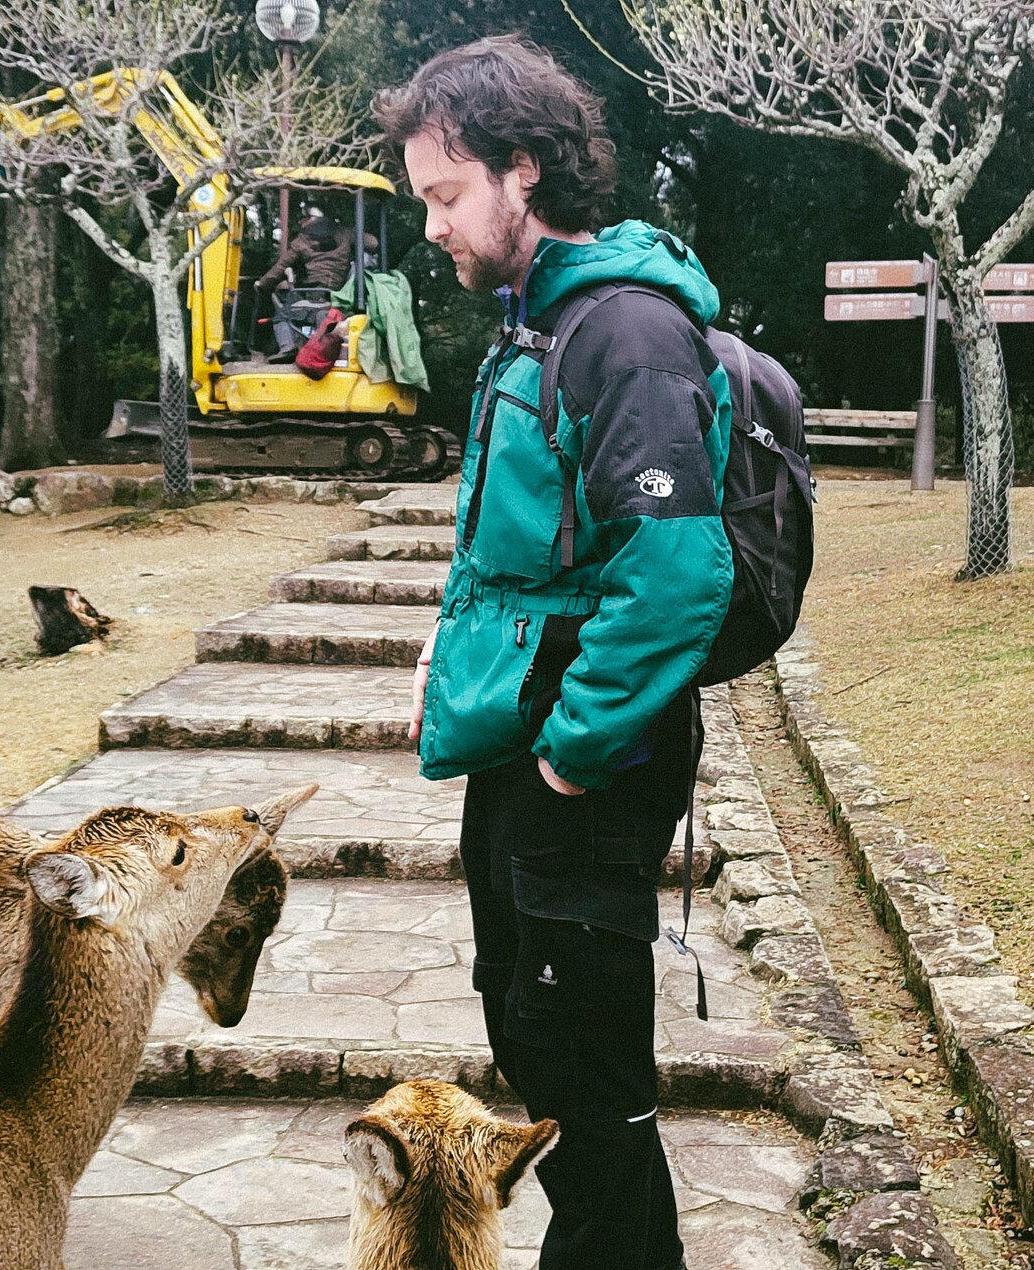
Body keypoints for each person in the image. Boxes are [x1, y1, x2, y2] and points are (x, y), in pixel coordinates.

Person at [377, 35, 732, 1270]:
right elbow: (522, 548)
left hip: (585, 764)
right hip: (521, 748)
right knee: (538, 1043)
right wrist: (449, 647)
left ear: (522, 167)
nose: (433, 226)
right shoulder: (538, 324)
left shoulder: (625, 332)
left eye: (445, 194)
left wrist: (574, 756)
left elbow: (677, 573)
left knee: (585, 1078)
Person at [253, 211, 378, 354]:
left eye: (304, 218)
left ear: (312, 219)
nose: (301, 222)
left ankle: (287, 347)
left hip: (312, 293)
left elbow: (280, 267)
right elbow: (373, 243)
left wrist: (262, 284)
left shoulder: (302, 241)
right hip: (339, 294)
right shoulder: (345, 233)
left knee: (282, 314)